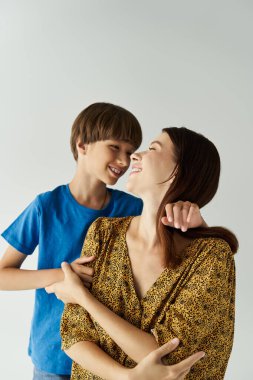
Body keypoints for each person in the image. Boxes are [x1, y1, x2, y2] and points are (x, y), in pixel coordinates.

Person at [0, 103, 206, 380]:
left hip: (112, 358)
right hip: (53, 356)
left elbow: (194, 253)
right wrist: (64, 276)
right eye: (115, 147)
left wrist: (197, 222)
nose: (124, 160)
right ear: (82, 145)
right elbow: (3, 276)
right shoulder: (45, 207)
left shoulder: (134, 208)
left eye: (130, 151)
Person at [47, 127, 238, 379]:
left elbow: (168, 355)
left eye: (153, 148)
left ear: (179, 171)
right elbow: (74, 335)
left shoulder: (211, 255)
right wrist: (126, 377)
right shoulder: (103, 233)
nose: (134, 156)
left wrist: (83, 297)